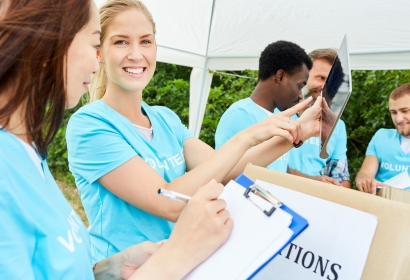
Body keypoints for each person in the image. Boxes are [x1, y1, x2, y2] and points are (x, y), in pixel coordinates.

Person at [66, 0, 323, 262]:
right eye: (121, 42)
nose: (136, 54)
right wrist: (246, 137)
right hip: (126, 272)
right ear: (99, 52)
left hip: (178, 266)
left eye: (145, 41)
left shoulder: (165, 118)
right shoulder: (90, 125)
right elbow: (169, 203)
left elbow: (229, 169)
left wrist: (297, 133)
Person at [0, 0, 233, 278]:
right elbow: (167, 202)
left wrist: (108, 270)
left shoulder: (29, 154)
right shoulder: (8, 164)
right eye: (94, 43)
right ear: (48, 43)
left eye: (146, 41)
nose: (95, 60)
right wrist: (178, 255)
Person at [214, 40, 312, 172]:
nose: (300, 95)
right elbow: (222, 173)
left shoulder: (283, 118)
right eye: (300, 86)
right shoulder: (239, 115)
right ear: (280, 76)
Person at [287, 48, 351, 188]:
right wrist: (311, 181)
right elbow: (263, 166)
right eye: (321, 78)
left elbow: (341, 176)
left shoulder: (338, 125)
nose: (325, 87)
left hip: (316, 199)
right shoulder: (279, 112)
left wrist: (337, 188)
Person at [356, 83, 410, 194]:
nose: (399, 119)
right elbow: (365, 173)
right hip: (379, 203)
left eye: (405, 111)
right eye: (394, 112)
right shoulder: (381, 137)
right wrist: (364, 181)